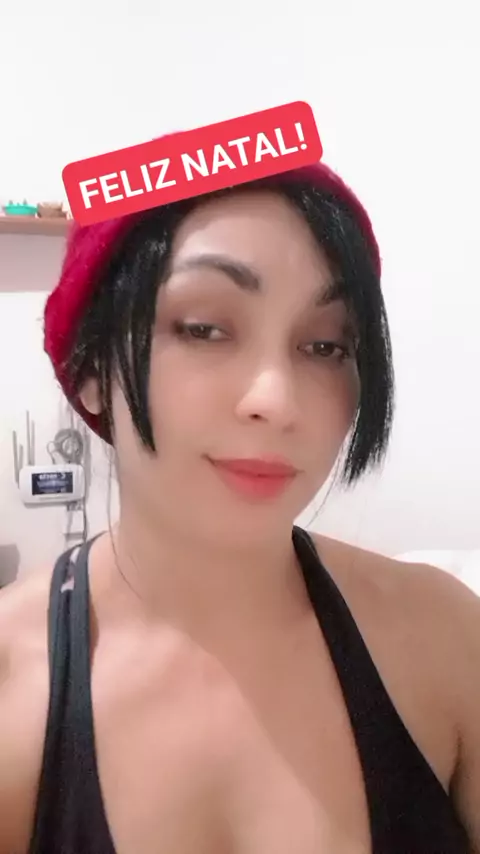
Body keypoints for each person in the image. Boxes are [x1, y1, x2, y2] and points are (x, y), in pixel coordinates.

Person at [0, 158, 478, 854]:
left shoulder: (445, 637)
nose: (277, 400)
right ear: (93, 368)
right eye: (204, 328)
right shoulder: (14, 683)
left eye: (325, 345)